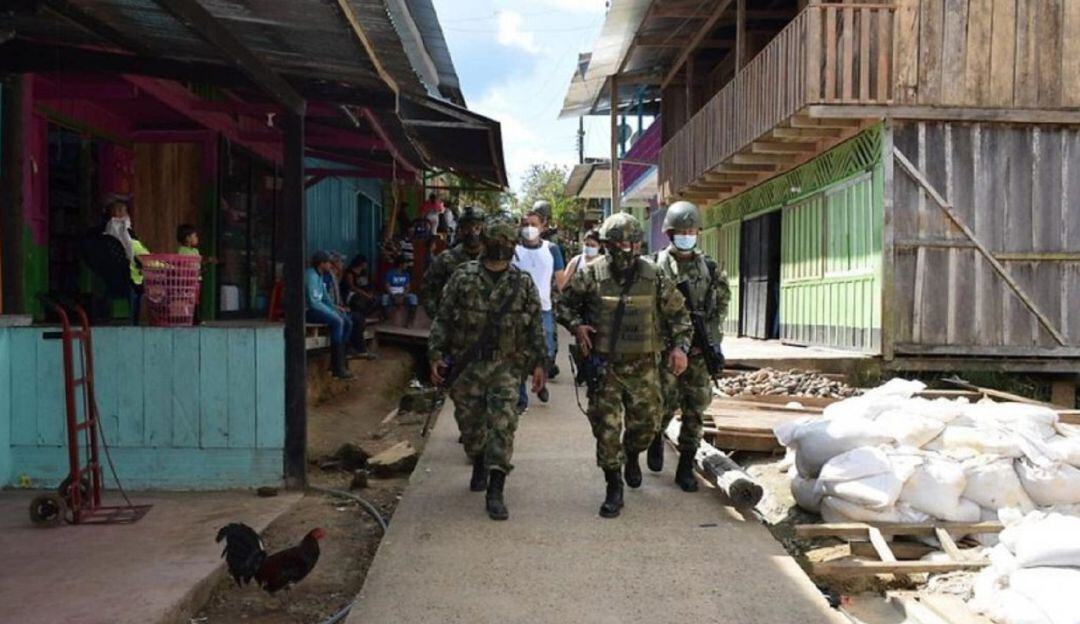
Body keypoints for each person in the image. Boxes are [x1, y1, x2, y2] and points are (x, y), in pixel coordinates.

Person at [557, 212, 692, 519]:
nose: (624, 249)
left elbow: (680, 316)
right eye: (617, 244)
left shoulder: (654, 275)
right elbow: (564, 304)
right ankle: (613, 486)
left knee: (645, 427)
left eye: (630, 243)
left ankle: (633, 454)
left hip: (644, 367)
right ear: (606, 245)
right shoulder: (591, 274)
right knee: (606, 430)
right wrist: (577, 326)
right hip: (605, 367)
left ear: (638, 244)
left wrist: (680, 349)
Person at [428, 211, 548, 521]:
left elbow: (535, 325)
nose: (501, 246)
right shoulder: (463, 276)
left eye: (507, 241)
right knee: (470, 427)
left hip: (506, 367)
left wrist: (539, 364)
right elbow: (443, 317)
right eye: (495, 240)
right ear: (485, 242)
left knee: (503, 426)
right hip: (468, 368)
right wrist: (436, 355)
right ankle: (479, 458)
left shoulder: (522, 282)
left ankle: (496, 487)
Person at [649, 201, 731, 492]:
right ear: (670, 233)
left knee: (695, 410)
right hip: (665, 350)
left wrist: (710, 338)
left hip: (697, 351)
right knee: (663, 405)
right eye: (681, 231)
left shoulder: (708, 266)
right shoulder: (655, 265)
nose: (687, 235)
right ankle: (656, 437)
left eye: (692, 230)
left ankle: (685, 465)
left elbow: (721, 303)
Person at [513, 208, 558, 406]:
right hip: (518, 309)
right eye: (526, 224)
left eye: (534, 224)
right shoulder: (513, 249)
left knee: (545, 350)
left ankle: (541, 383)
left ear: (543, 226)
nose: (529, 228)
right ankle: (521, 394)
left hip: (544, 308)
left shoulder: (551, 249)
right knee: (518, 350)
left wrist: (551, 294)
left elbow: (561, 276)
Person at [420, 205, 486, 320]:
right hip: (453, 328)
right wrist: (438, 316)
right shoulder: (446, 258)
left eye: (477, 227)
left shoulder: (493, 260)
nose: (472, 232)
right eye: (467, 227)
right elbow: (427, 288)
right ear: (460, 229)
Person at [306, 251, 355, 379]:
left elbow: (326, 299)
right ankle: (337, 368)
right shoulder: (311, 276)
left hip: (321, 308)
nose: (330, 265)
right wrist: (332, 313)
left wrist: (336, 308)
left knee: (347, 321)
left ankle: (339, 362)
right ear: (321, 264)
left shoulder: (321, 275)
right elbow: (313, 302)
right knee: (338, 321)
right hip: (309, 311)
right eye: (328, 262)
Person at [327, 253, 375, 360]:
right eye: (341, 261)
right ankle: (346, 350)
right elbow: (325, 299)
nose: (343, 264)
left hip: (338, 307)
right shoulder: (328, 277)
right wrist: (338, 307)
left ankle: (359, 349)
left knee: (358, 318)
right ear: (333, 264)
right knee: (352, 319)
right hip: (330, 308)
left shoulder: (336, 275)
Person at [176, 223, 212, 325]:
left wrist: (205, 262)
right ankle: (193, 318)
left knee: (197, 299)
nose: (197, 238)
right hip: (188, 280)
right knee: (190, 299)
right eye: (194, 236)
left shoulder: (195, 250)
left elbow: (198, 262)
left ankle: (196, 318)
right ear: (187, 238)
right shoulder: (182, 251)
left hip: (197, 279)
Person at [381, 257, 419, 327]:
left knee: (414, 298)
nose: (406, 265)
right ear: (400, 264)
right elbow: (387, 286)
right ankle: (386, 319)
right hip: (392, 294)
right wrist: (393, 296)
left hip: (402, 294)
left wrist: (403, 296)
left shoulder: (406, 274)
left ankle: (409, 321)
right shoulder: (390, 273)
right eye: (405, 263)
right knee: (384, 298)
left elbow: (407, 287)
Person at [342, 254, 378, 319]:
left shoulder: (364, 272)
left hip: (365, 293)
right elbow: (352, 287)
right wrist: (365, 294)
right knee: (359, 300)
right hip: (353, 294)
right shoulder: (350, 273)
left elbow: (368, 284)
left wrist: (370, 293)